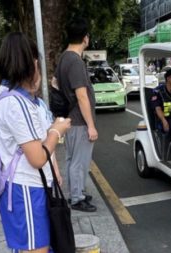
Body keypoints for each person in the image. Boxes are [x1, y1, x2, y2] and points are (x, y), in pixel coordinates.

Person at [0, 32, 71, 253]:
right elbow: (37, 157)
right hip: (25, 190)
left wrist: (55, 170)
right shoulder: (15, 104)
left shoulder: (26, 100)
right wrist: (57, 131)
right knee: (36, 249)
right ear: (32, 63)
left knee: (42, 247)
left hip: (34, 188)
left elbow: (40, 140)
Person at [55, 17, 98, 212]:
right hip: (80, 120)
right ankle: (77, 198)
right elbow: (82, 96)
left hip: (70, 118)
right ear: (85, 38)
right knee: (79, 161)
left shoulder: (64, 57)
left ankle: (77, 191)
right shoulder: (75, 61)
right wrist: (91, 125)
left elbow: (54, 83)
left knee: (73, 159)